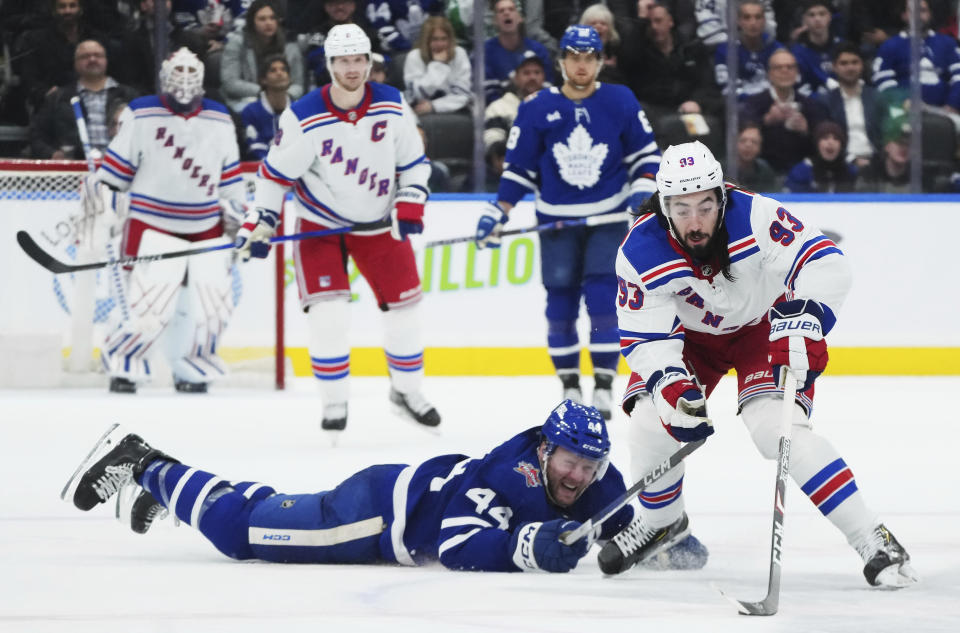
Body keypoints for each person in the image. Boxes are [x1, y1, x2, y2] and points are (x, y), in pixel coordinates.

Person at [602, 139, 918, 588]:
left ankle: (873, 537)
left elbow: (825, 264)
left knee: (777, 430)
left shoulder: (756, 215)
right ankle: (664, 525)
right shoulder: (640, 249)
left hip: (765, 327)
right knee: (652, 422)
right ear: (664, 205)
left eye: (706, 206)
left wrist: (807, 320)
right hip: (693, 339)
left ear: (722, 197)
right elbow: (646, 333)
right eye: (682, 208)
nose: (696, 222)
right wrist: (671, 384)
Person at [62, 401, 666, 573]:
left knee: (263, 510)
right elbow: (458, 545)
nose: (578, 476)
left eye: (589, 465)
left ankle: (165, 491)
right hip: (377, 516)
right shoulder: (509, 474)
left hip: (396, 500)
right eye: (569, 462)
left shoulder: (595, 474)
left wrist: (664, 540)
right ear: (544, 449)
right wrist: (526, 547)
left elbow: (617, 520)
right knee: (243, 530)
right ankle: (144, 463)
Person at [234, 24, 441, 432]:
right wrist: (262, 221)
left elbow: (414, 163)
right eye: (344, 60)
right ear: (329, 64)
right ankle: (334, 402)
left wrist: (410, 199)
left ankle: (406, 391)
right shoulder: (304, 116)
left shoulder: (392, 104)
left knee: (406, 313)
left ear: (369, 62)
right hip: (321, 226)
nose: (352, 68)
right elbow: (275, 176)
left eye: (359, 59)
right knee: (327, 315)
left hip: (379, 222)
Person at [475, 25, 662, 420]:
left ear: (599, 61)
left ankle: (605, 386)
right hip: (557, 223)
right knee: (559, 304)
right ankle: (570, 383)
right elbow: (519, 169)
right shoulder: (536, 107)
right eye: (574, 56)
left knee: (602, 302)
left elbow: (647, 155)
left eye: (589, 57)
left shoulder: (620, 100)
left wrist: (641, 190)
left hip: (607, 219)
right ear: (561, 61)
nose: (582, 64)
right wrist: (498, 210)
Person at [92, 46, 246, 395]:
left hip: (206, 226)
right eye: (179, 72)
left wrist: (239, 216)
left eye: (193, 73)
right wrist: (105, 205)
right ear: (165, 76)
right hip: (152, 223)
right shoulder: (141, 114)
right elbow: (115, 175)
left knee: (210, 308)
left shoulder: (220, 118)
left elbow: (231, 181)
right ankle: (125, 366)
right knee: (148, 305)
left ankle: (191, 368)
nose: (185, 81)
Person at [29, 39, 138, 160]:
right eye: (85, 56)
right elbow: (37, 136)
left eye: (98, 55)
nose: (92, 59)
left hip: (120, 168)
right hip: (74, 171)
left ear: (106, 60)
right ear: (75, 64)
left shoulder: (129, 96)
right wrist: (52, 154)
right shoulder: (58, 98)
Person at [739, 48, 828, 173]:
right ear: (769, 73)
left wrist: (806, 130)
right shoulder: (754, 102)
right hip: (762, 173)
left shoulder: (810, 104)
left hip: (801, 172)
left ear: (797, 72)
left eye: (789, 67)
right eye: (778, 67)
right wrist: (767, 120)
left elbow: (824, 138)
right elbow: (742, 135)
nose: (784, 71)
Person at [872, 0, 960, 114]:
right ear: (904, 15)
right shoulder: (890, 45)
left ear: (930, 14)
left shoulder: (947, 43)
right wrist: (902, 101)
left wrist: (952, 104)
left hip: (946, 110)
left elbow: (958, 77)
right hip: (903, 111)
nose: (918, 15)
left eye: (923, 11)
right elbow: (881, 80)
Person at [220, 0, 304, 114]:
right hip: (246, 98)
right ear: (252, 22)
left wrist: (283, 96)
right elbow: (230, 83)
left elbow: (298, 84)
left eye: (272, 18)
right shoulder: (237, 43)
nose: (268, 23)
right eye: (262, 19)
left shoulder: (290, 45)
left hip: (285, 98)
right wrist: (266, 94)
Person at [819, 42, 882, 169]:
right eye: (844, 63)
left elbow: (885, 135)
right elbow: (823, 140)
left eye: (855, 62)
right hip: (841, 165)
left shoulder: (876, 97)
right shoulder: (825, 101)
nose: (850, 68)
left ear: (862, 65)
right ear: (834, 67)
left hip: (876, 163)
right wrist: (852, 160)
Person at [484, 0, 555, 103]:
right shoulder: (486, 52)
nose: (506, 13)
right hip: (501, 111)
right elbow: (488, 92)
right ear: (494, 20)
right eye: (501, 11)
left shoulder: (538, 50)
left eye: (511, 9)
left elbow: (548, 86)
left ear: (520, 18)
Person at [713, 0, 784, 100]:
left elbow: (785, 85)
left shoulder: (777, 49)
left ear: (764, 20)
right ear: (738, 21)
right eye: (747, 17)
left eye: (758, 17)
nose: (753, 23)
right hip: (740, 108)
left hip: (773, 106)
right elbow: (727, 88)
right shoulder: (725, 49)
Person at [402, 15, 473, 115]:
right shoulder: (414, 57)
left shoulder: (459, 54)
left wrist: (434, 106)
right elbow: (418, 95)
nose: (440, 44)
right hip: (420, 112)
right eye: (434, 39)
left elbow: (463, 95)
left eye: (444, 39)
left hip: (455, 110)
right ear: (426, 40)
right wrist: (438, 66)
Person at [240, 54, 292, 160]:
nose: (279, 73)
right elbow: (255, 148)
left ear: (289, 78)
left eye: (283, 69)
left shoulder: (300, 110)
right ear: (263, 80)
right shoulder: (250, 111)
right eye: (273, 70)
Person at [784, 120, 857, 192]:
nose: (830, 142)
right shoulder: (801, 171)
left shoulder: (851, 171)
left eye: (836, 138)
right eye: (825, 138)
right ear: (817, 143)